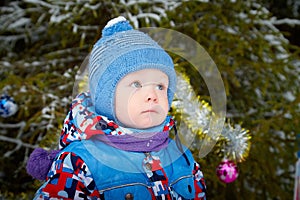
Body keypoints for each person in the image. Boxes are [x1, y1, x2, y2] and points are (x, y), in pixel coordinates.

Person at [32, 16, 206, 199]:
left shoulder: (180, 155)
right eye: (136, 84)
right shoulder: (81, 162)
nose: (152, 95)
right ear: (107, 98)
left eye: (160, 86)